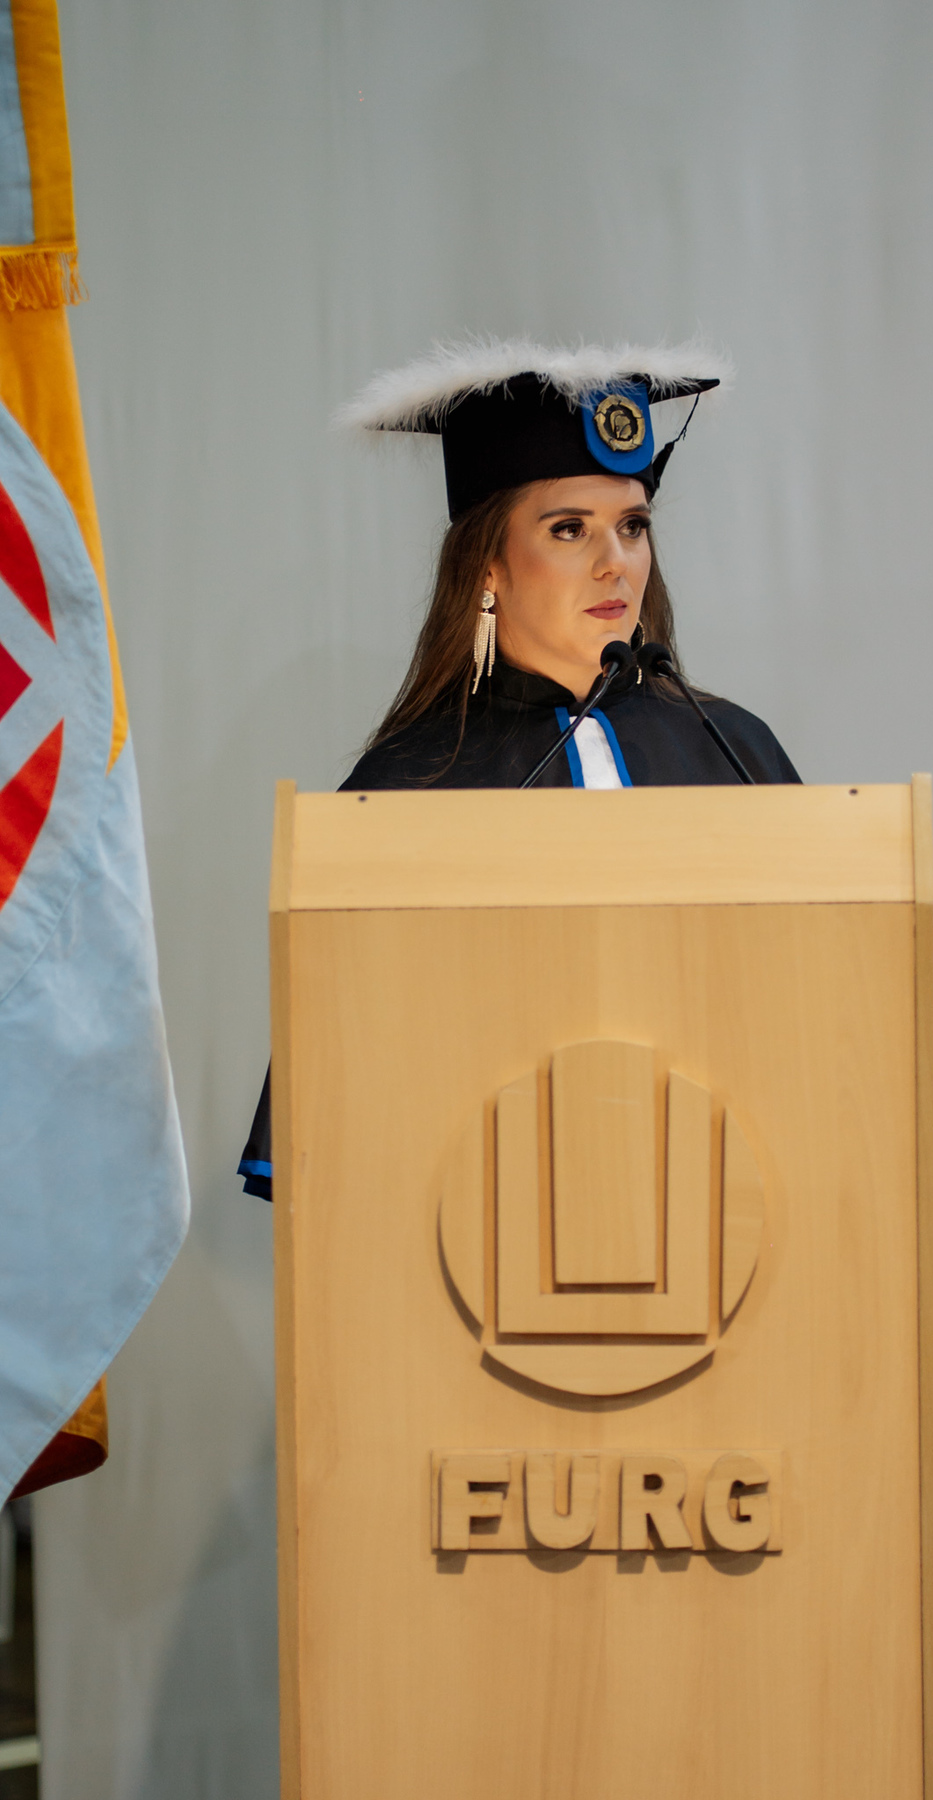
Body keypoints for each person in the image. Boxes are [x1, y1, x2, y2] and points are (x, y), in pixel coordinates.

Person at [239, 341, 800, 1199]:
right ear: (490, 565)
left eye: (633, 525)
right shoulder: (409, 785)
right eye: (568, 529)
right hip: (480, 1236)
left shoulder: (735, 750)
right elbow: (349, 1107)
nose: (616, 561)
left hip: (732, 1213)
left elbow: (823, 1034)